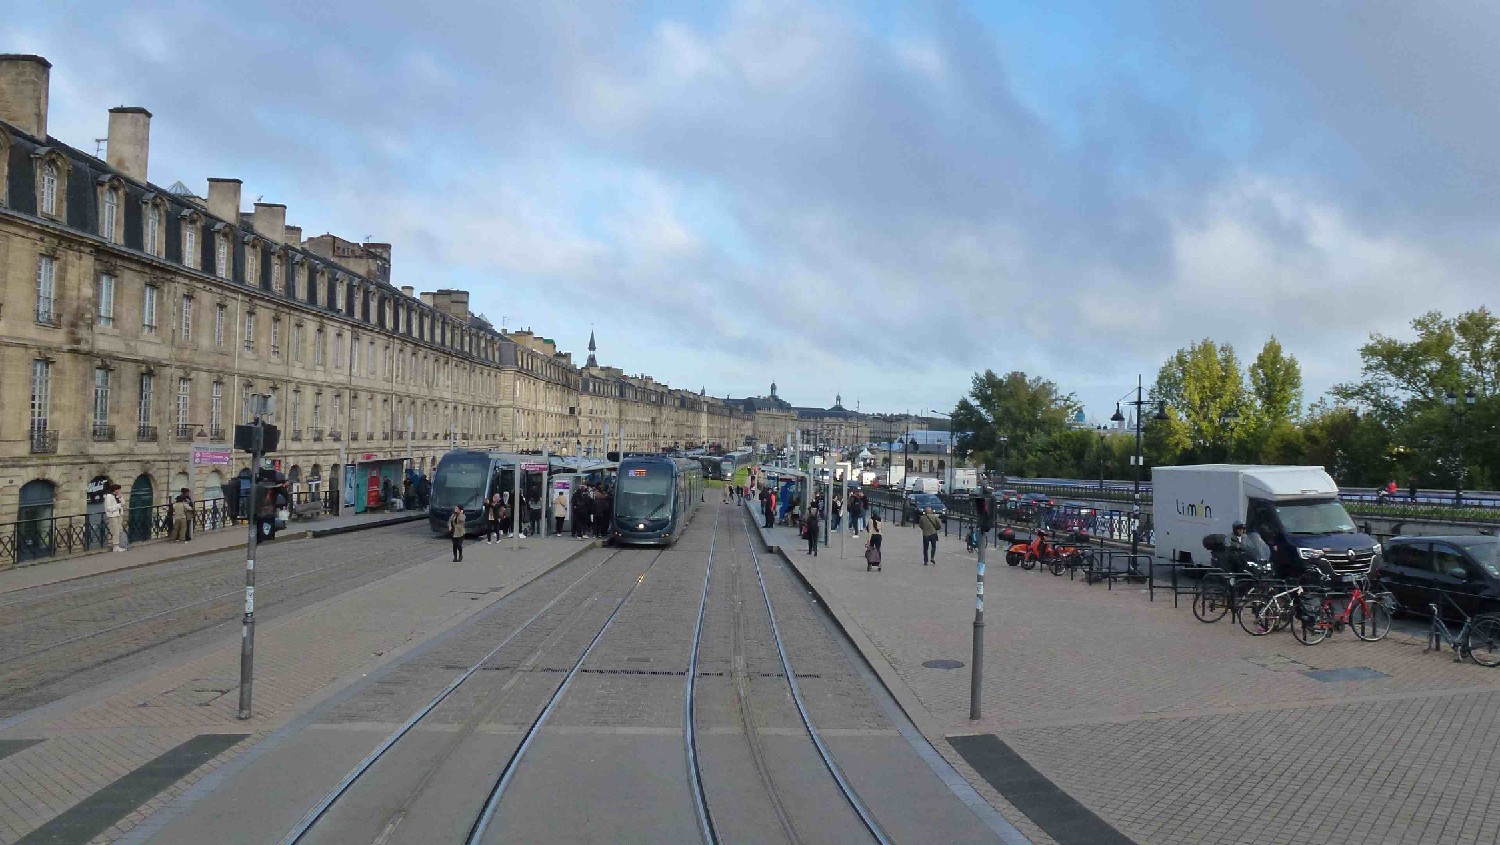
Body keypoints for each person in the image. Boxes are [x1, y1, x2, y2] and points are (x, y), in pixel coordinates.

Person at [105, 484, 126, 552]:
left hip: (119, 515)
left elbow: (123, 503)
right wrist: (118, 506)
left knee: (119, 530)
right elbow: (109, 508)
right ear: (115, 490)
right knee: (115, 530)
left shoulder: (118, 496)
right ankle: (115, 546)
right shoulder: (109, 496)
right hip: (113, 516)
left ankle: (116, 544)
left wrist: (121, 497)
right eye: (119, 489)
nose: (120, 491)